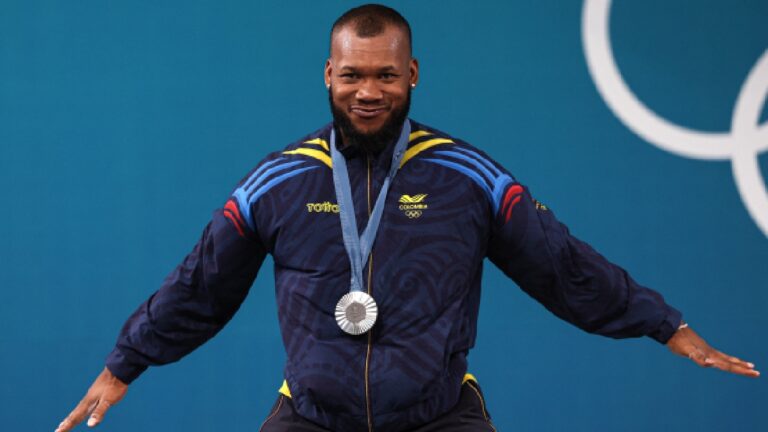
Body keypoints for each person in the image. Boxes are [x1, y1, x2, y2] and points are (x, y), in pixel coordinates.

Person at [56, 4, 759, 432]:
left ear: (413, 74)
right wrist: (125, 364)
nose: (369, 92)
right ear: (327, 76)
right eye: (353, 75)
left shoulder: (466, 176)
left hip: (438, 416)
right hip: (310, 416)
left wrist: (663, 324)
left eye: (385, 75)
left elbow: (561, 264)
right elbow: (201, 284)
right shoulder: (278, 182)